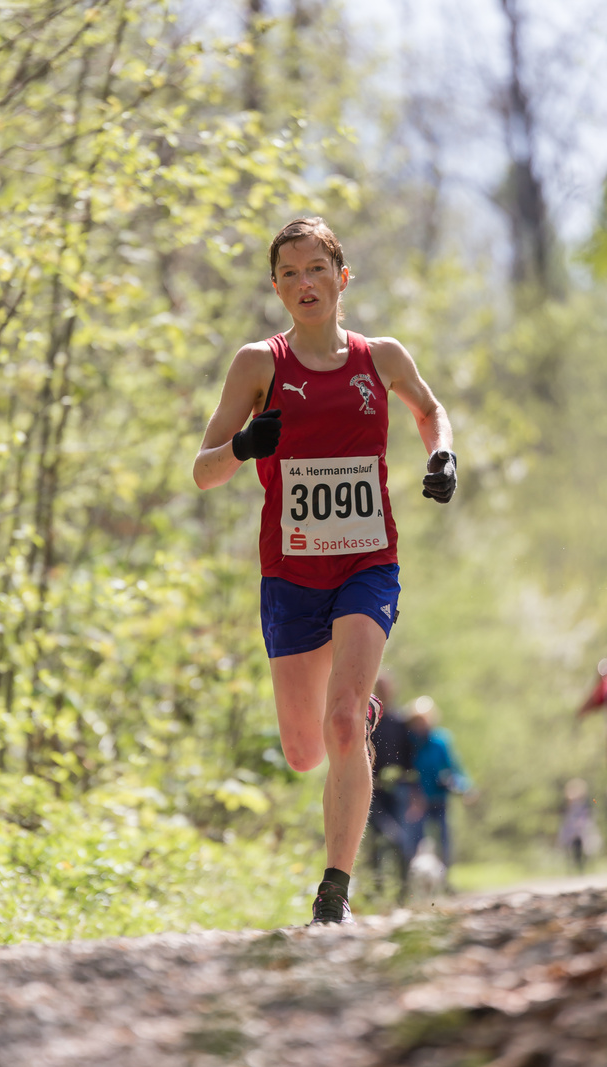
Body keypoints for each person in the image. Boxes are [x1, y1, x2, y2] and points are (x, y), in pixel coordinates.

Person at [193, 217, 457, 925]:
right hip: (291, 573)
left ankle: (334, 892)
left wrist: (443, 455)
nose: (304, 283)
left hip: (369, 564)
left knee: (344, 725)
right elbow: (202, 473)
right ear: (276, 287)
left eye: (316, 270)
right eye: (289, 273)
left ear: (342, 279)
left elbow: (433, 413)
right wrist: (246, 444)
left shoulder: (382, 357)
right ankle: (350, 717)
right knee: (305, 748)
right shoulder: (259, 364)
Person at [364, 673, 419, 904]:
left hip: (398, 791)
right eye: (380, 687)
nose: (384, 691)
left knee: (402, 841)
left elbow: (410, 758)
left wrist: (416, 792)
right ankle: (374, 894)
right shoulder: (368, 720)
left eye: (387, 688)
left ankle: (403, 894)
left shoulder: (400, 722)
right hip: (372, 791)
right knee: (378, 840)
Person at [405, 696, 471, 885]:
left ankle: (445, 881)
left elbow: (454, 768)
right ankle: (413, 885)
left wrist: (465, 788)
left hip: (439, 799)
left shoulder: (441, 741)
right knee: (415, 843)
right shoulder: (409, 743)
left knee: (443, 841)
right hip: (417, 802)